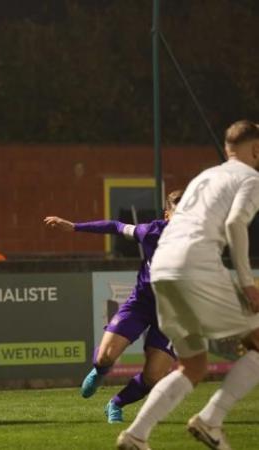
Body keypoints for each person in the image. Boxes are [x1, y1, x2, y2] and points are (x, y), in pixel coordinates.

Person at [117, 120, 259, 450]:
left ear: (226, 149)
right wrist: (247, 282)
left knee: (193, 364)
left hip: (162, 267)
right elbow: (236, 222)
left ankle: (137, 435)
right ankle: (211, 420)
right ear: (255, 150)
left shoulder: (205, 177)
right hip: (196, 264)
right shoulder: (251, 178)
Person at [44, 188, 183, 424]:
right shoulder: (150, 231)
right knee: (105, 357)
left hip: (172, 313)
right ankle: (99, 371)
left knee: (154, 375)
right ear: (167, 216)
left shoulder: (202, 239)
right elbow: (116, 226)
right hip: (142, 303)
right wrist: (75, 226)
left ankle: (115, 404)